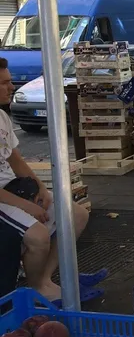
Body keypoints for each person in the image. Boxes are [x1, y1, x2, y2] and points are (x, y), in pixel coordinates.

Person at [0, 57, 90, 301]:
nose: (11, 87)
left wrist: (41, 188)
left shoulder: (2, 117)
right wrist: (28, 206)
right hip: (3, 199)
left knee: (76, 215)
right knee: (38, 235)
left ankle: (41, 280)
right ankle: (37, 287)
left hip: (15, 189)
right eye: (5, 83)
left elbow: (15, 159)